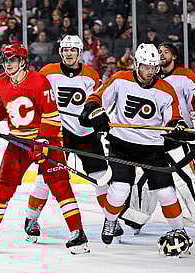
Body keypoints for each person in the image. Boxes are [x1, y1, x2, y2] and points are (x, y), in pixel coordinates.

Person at [78, 43, 193, 255]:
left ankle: (180, 231)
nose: (150, 71)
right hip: (122, 145)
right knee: (120, 190)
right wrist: (94, 110)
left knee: (166, 193)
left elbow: (174, 117)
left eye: (154, 67)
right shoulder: (121, 79)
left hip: (153, 149)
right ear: (137, 64)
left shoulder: (165, 90)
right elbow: (98, 97)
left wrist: (178, 129)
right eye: (146, 66)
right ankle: (110, 220)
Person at [0, 43, 90, 255]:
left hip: (47, 140)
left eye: (13, 60)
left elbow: (51, 115)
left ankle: (78, 234)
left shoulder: (39, 81)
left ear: (23, 62)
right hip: (18, 143)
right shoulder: (1, 81)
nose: (8, 64)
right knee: (3, 187)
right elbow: (4, 106)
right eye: (6, 60)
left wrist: (42, 142)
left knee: (60, 187)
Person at [23, 35, 124, 244]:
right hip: (57, 133)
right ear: (61, 52)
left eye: (73, 50)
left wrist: (96, 117)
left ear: (79, 53)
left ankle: (111, 219)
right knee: (45, 178)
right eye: (66, 50)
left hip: (85, 133)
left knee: (101, 177)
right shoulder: (48, 72)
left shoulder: (90, 75)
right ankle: (31, 219)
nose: (69, 53)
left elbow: (95, 102)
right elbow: (35, 97)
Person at [119, 42, 195, 236]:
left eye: (165, 51)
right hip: (154, 138)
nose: (160, 54)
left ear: (174, 56)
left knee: (188, 178)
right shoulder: (149, 79)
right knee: (143, 179)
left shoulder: (185, 75)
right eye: (158, 52)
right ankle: (135, 218)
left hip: (180, 136)